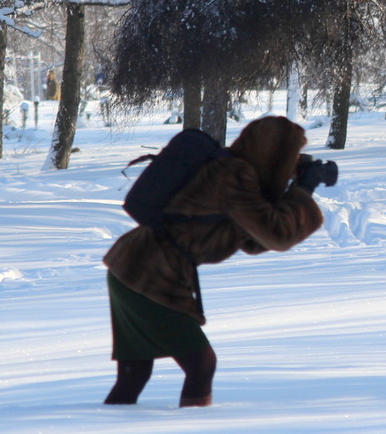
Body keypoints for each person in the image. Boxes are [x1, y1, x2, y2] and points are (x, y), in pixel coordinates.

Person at [102, 115, 331, 407]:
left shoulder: (236, 173)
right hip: (150, 275)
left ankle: (108, 428)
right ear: (275, 153)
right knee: (201, 365)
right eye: (291, 155)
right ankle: (196, 430)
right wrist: (303, 192)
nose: (294, 163)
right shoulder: (233, 175)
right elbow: (277, 235)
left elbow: (252, 241)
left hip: (132, 267)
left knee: (135, 374)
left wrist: (291, 192)